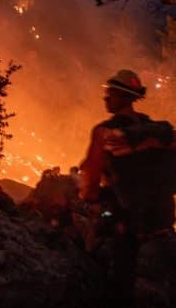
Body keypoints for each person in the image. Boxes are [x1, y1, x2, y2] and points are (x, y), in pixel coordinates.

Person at [80, 69, 176, 305]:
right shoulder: (152, 131)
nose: (105, 98)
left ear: (124, 96)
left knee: (113, 287)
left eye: (110, 93)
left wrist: (90, 198)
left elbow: (90, 184)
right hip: (163, 225)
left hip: (126, 229)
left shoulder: (105, 132)